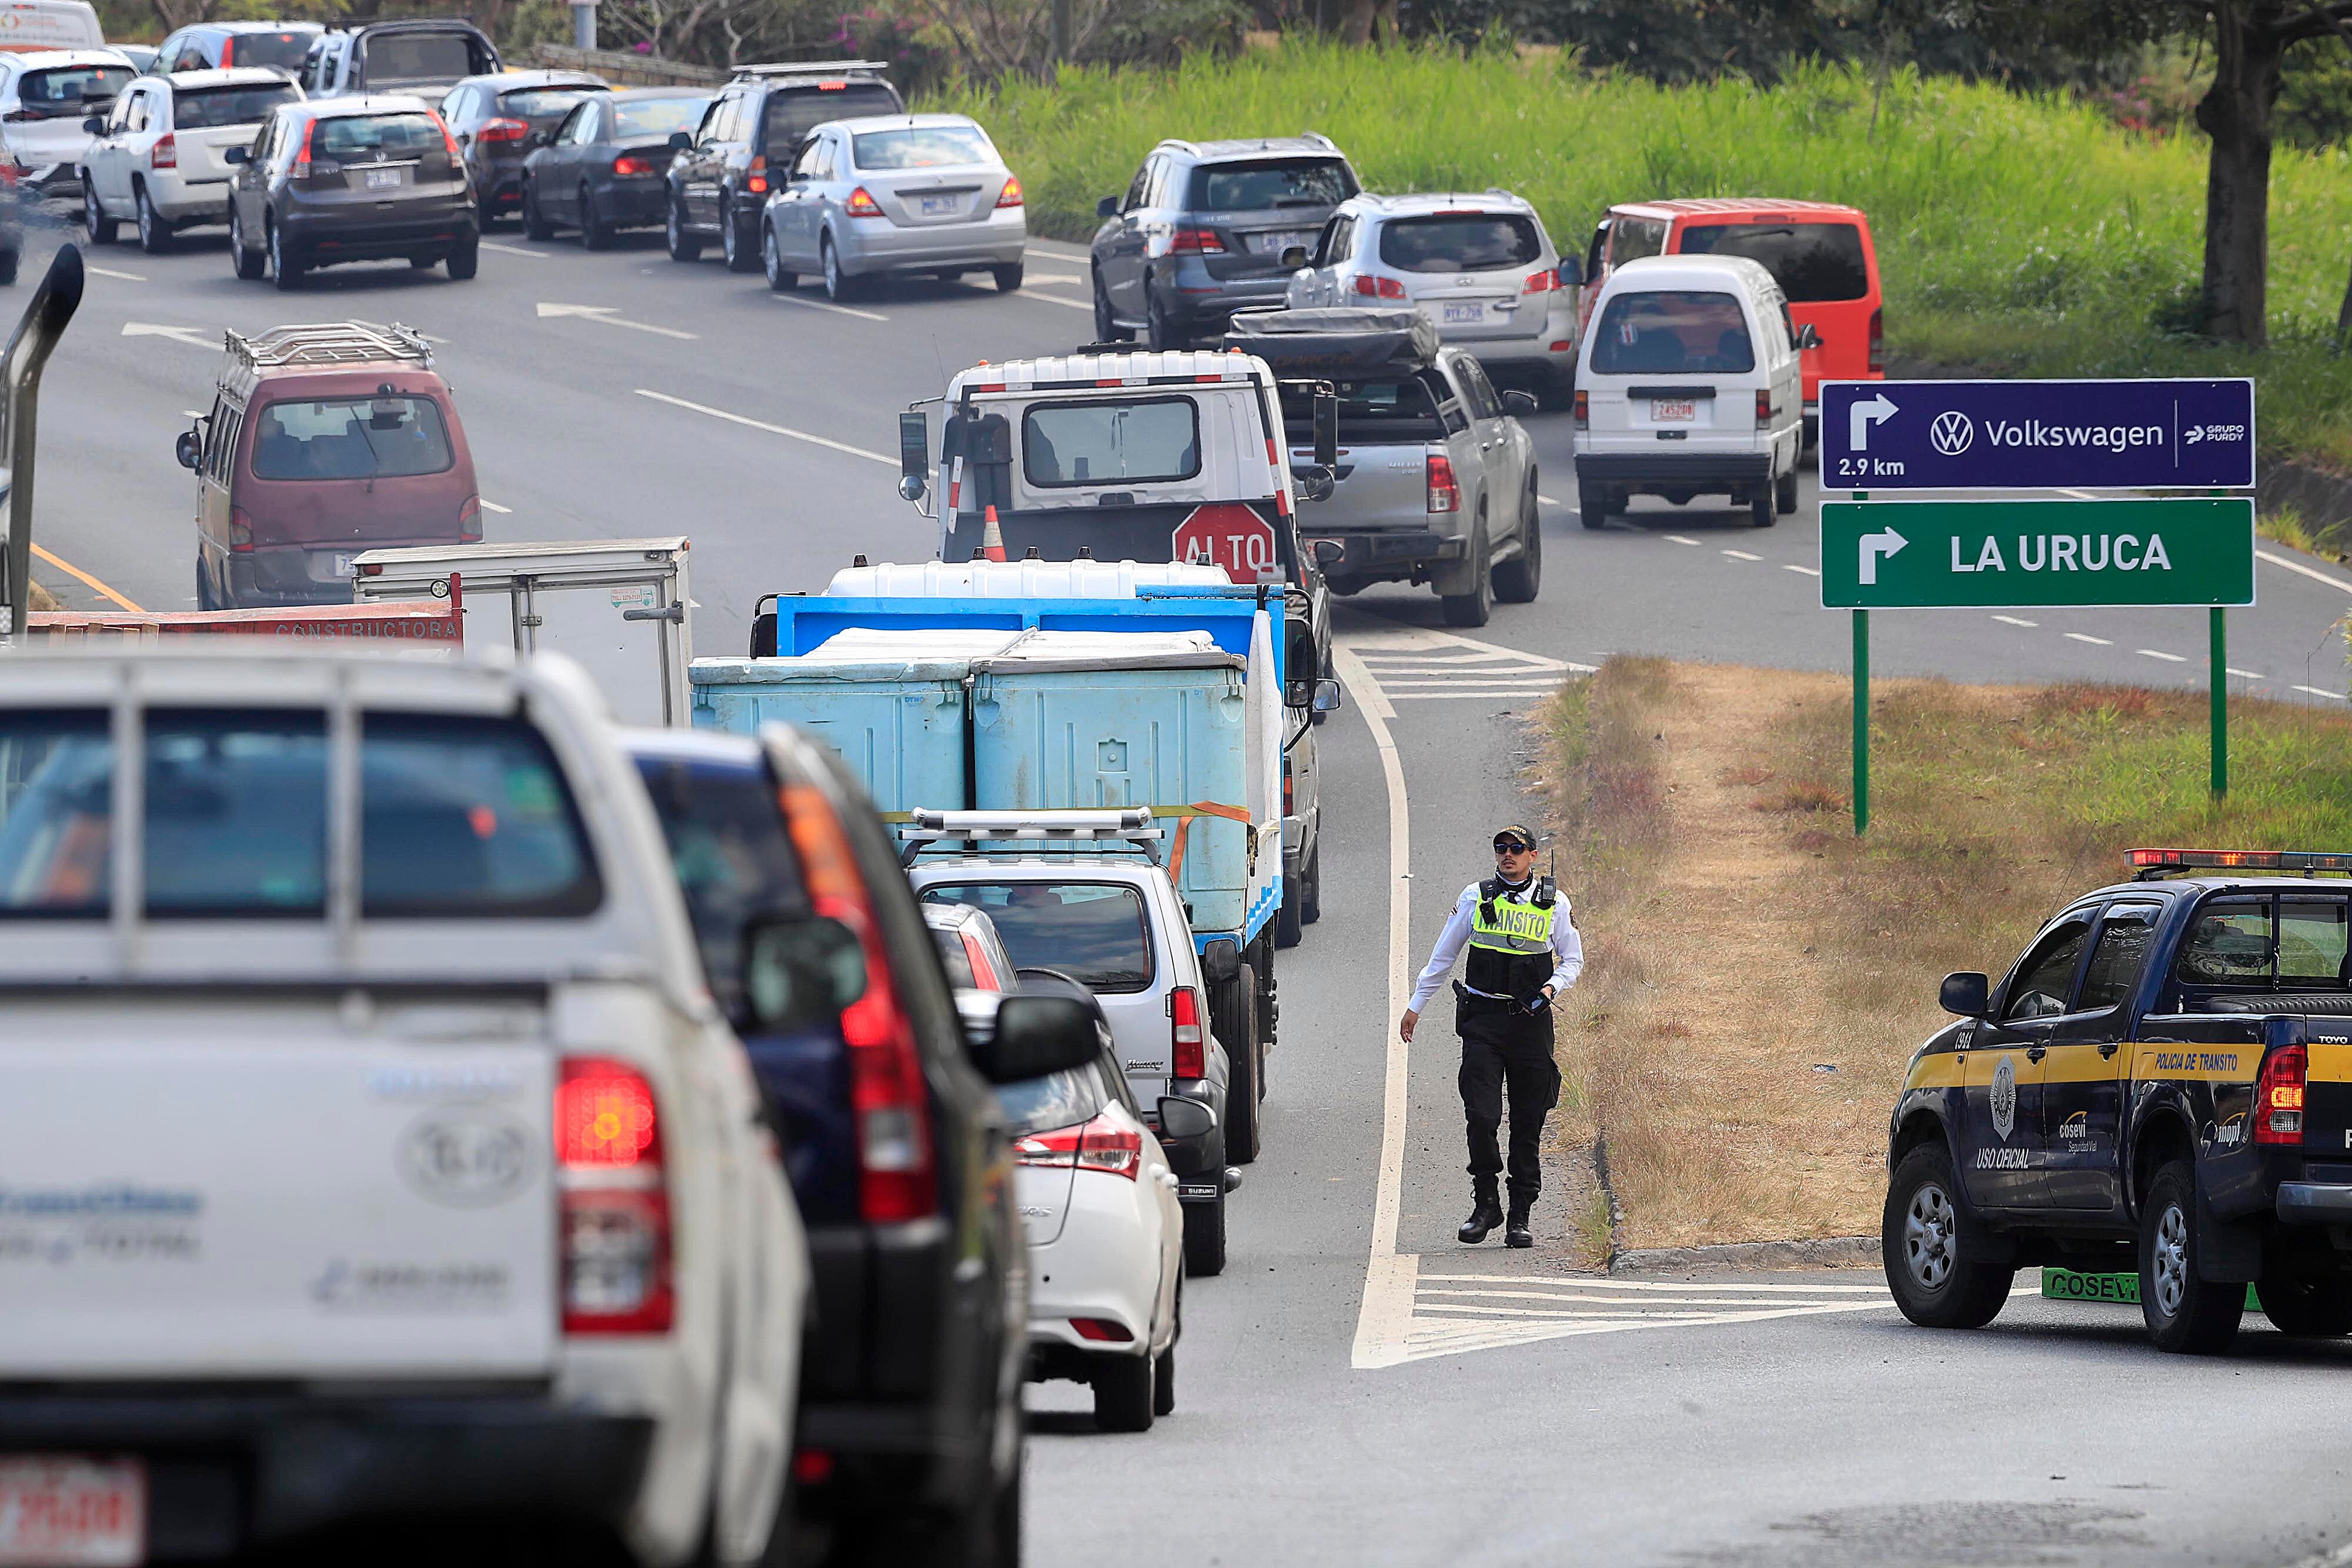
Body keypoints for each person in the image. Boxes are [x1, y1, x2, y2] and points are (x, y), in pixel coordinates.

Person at [1398, 824, 1583, 1248]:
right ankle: (1486, 1204)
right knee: (1481, 1115)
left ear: (1533, 856)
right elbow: (1443, 957)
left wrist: (1551, 987)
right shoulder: (1475, 897)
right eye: (1501, 848)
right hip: (1483, 1019)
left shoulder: (1553, 903)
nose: (1507, 855)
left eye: (1517, 849)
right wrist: (1416, 1006)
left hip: (1530, 1024)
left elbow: (1573, 960)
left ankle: (1520, 1214)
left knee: (1528, 1120)